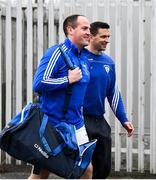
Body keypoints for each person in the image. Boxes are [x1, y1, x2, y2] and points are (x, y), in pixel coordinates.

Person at [28, 14, 93, 179]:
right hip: (52, 124)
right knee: (41, 174)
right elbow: (39, 84)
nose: (89, 32)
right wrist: (67, 79)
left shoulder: (84, 57)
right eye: (84, 28)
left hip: (77, 125)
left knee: (86, 169)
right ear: (70, 30)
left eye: (90, 29)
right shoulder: (56, 52)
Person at [82, 21, 134, 179]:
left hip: (99, 120)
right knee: (83, 168)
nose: (107, 40)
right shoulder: (79, 58)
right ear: (91, 37)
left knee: (103, 168)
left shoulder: (108, 62)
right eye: (103, 36)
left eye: (108, 36)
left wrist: (123, 119)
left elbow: (113, 93)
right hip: (79, 119)